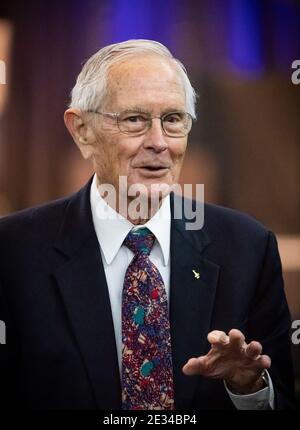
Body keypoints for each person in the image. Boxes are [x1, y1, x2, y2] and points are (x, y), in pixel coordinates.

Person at [0, 39, 296, 410]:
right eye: (134, 119)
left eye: (172, 120)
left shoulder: (248, 249)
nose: (158, 143)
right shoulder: (11, 252)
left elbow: (282, 399)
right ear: (82, 131)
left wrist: (249, 387)